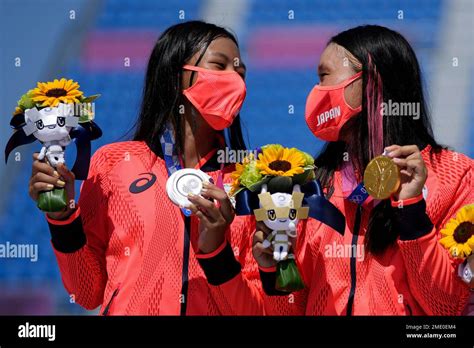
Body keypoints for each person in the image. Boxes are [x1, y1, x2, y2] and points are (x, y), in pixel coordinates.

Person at [206, 25, 473, 315]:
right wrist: (274, 272)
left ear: (371, 82)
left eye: (325, 76)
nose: (317, 92)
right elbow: (288, 312)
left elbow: (445, 308)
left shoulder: (456, 177)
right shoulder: (310, 185)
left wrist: (411, 211)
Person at [28, 20, 266, 315]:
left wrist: (218, 255)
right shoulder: (113, 163)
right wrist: (62, 217)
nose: (235, 81)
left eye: (240, 73)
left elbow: (257, 310)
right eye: (220, 66)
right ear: (175, 75)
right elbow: (87, 292)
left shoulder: (253, 179)